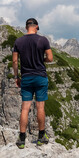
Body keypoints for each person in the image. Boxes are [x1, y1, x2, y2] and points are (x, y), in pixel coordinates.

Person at [12, 18, 53, 149]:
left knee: (25, 108)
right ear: (37, 27)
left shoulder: (18, 41)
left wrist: (16, 76)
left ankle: (22, 139)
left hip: (26, 77)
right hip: (40, 77)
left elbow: (14, 61)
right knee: (40, 107)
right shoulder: (43, 40)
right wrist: (42, 60)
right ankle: (41, 136)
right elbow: (50, 58)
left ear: (26, 27)